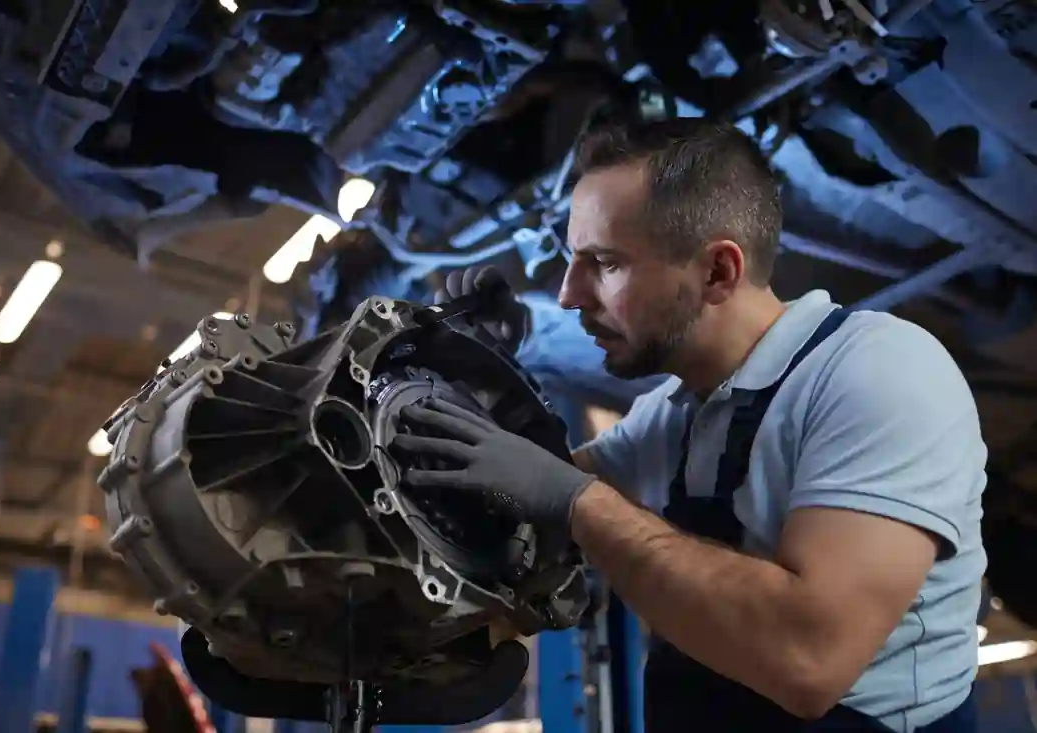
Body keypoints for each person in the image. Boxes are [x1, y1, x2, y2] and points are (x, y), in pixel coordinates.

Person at [390, 118, 987, 732]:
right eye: (573, 261)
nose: (568, 295)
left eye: (605, 264)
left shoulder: (877, 371)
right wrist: (487, 373)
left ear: (717, 272)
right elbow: (527, 497)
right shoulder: (674, 413)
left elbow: (810, 660)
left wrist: (578, 502)